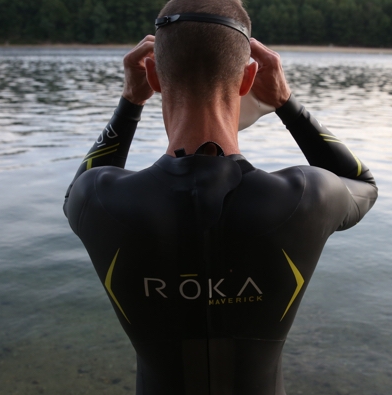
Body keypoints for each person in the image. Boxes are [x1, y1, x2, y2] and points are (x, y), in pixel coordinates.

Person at [63, 0, 378, 394]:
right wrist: (287, 103)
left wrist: (130, 102)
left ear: (153, 75)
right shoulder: (305, 196)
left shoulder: (99, 199)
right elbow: (363, 183)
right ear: (248, 79)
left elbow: (75, 193)